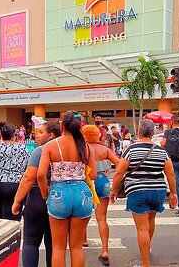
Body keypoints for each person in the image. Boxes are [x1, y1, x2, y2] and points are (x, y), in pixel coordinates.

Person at [109, 120, 178, 267]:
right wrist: (173, 193)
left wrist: (114, 190)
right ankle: (147, 247)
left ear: (139, 132)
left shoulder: (131, 149)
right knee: (150, 221)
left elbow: (119, 171)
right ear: (152, 133)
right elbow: (170, 173)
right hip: (158, 191)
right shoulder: (162, 151)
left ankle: (146, 264)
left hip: (138, 191)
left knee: (142, 228)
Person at [36, 110, 97, 267]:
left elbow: (41, 175)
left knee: (58, 247)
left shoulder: (50, 146)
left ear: (62, 126)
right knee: (76, 247)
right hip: (82, 195)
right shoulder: (85, 147)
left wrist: (45, 194)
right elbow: (94, 175)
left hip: (59, 194)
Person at [11, 122, 61, 267]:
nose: (37, 135)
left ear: (51, 135)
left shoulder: (40, 151)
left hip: (37, 197)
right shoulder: (66, 149)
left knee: (31, 241)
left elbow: (28, 178)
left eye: (41, 132)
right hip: (59, 198)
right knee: (53, 243)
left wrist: (17, 200)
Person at [82, 125, 120, 266]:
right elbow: (119, 164)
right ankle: (105, 250)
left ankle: (84, 239)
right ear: (97, 135)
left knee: (84, 213)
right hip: (103, 181)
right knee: (102, 218)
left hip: (86, 181)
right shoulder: (105, 150)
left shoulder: (83, 149)